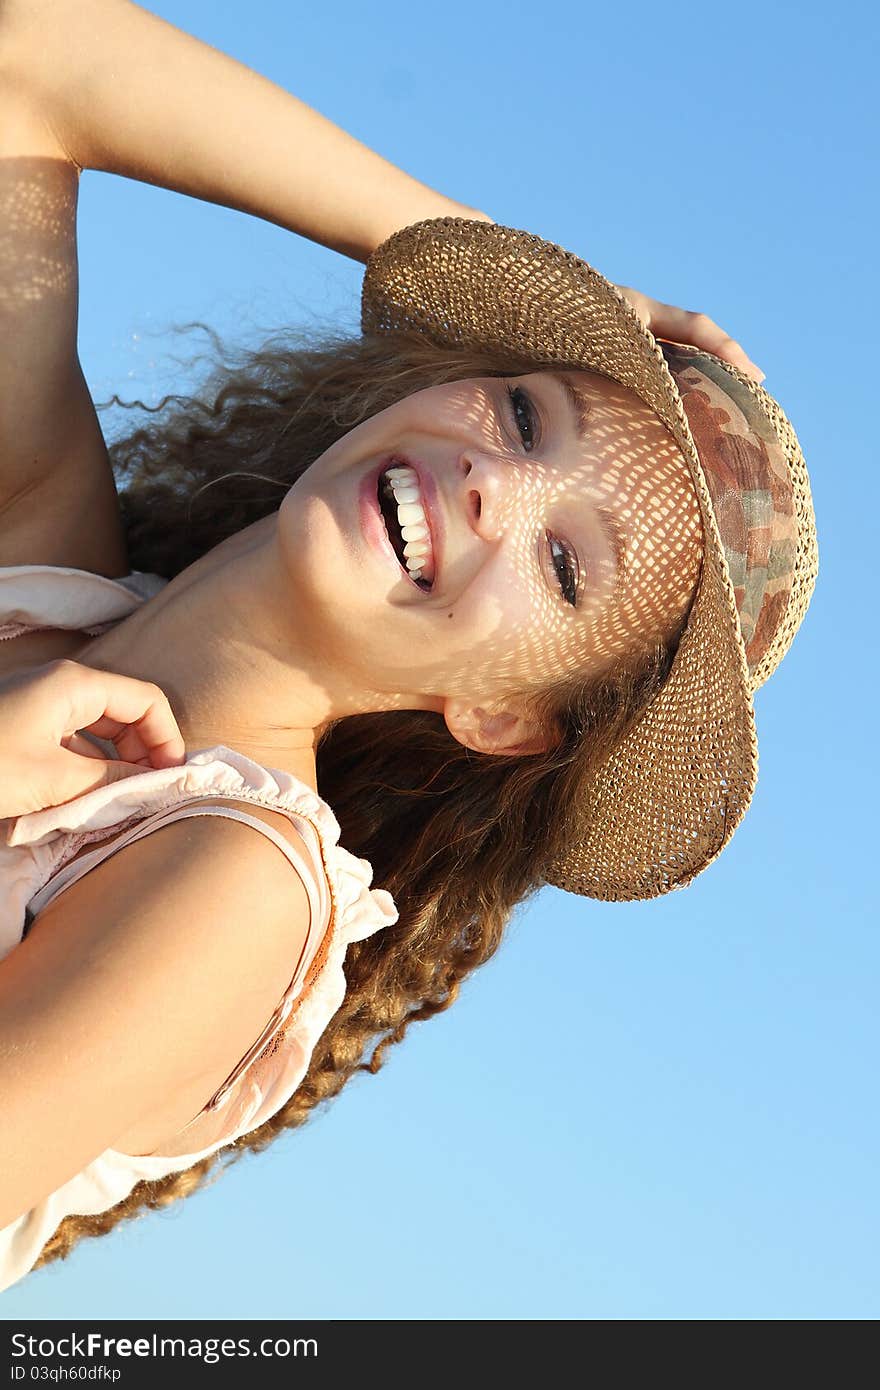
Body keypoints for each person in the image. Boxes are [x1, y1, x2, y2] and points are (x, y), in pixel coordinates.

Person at [0, 0, 818, 1290]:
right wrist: (472, 248)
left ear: (502, 716)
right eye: (520, 410)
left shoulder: (234, 884)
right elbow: (28, 66)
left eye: (564, 565)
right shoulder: (47, 578)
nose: (500, 483)